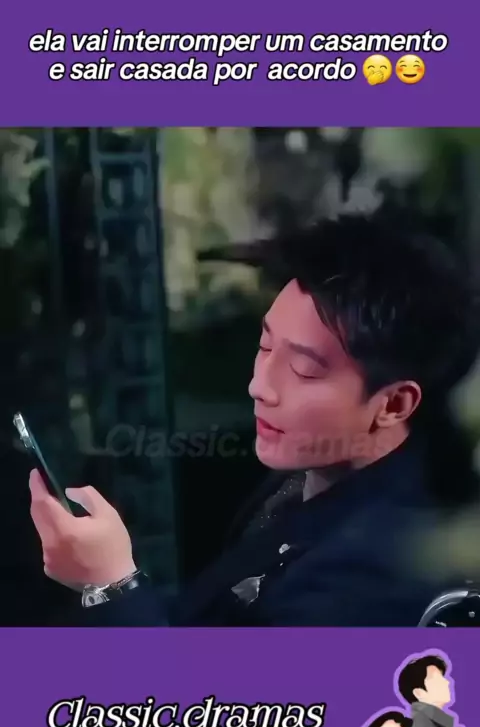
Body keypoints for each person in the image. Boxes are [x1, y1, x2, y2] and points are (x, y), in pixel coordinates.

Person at [28, 215, 480, 626]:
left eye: (304, 369)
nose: (259, 385)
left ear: (395, 404)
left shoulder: (379, 568)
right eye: (265, 346)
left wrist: (111, 586)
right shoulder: (309, 470)